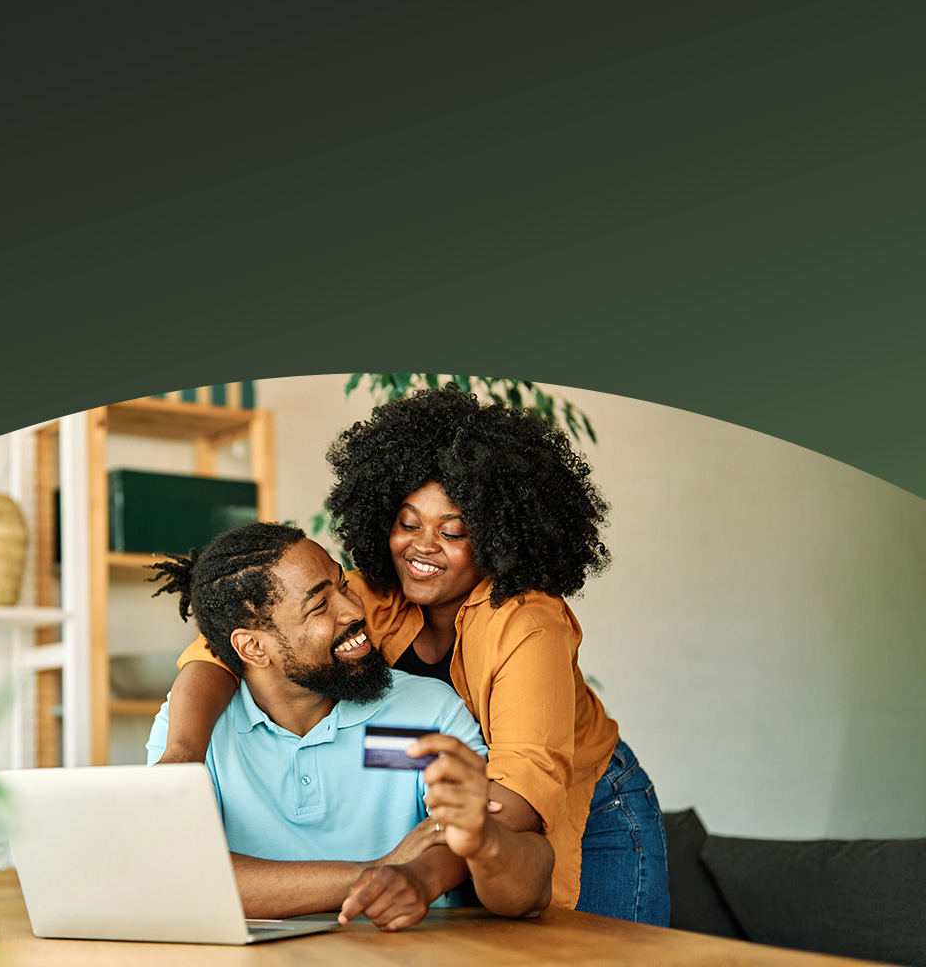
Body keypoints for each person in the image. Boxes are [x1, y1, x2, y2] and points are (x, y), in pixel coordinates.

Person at [161, 387, 670, 925]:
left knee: (593, 950)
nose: (422, 546)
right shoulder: (365, 593)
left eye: (453, 532)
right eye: (408, 524)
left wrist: (421, 871)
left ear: (499, 538)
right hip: (468, 797)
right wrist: (181, 756)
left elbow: (515, 801)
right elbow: (224, 647)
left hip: (585, 802)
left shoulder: (528, 625)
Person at [145, 521, 554, 931]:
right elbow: (178, 874)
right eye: (319, 606)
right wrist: (378, 871)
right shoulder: (193, 730)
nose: (356, 611)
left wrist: (428, 867)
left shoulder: (427, 714)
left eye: (344, 585)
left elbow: (486, 846)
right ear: (252, 647)